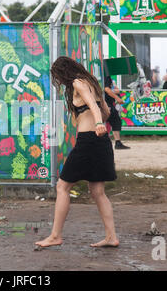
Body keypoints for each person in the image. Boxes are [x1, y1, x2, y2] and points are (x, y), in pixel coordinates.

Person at [35, 56, 119, 248]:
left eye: (57, 76)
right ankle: (111, 236)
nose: (58, 80)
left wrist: (97, 122)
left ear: (63, 72)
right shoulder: (91, 82)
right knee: (97, 191)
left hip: (88, 141)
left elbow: (92, 105)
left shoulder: (77, 82)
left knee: (62, 187)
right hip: (100, 141)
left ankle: (55, 236)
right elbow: (105, 110)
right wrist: (97, 119)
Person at [104, 75, 130, 149]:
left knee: (115, 120)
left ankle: (117, 142)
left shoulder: (106, 76)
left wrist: (115, 92)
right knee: (114, 120)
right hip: (106, 103)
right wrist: (117, 98)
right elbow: (106, 89)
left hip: (107, 103)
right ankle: (117, 142)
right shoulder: (106, 76)